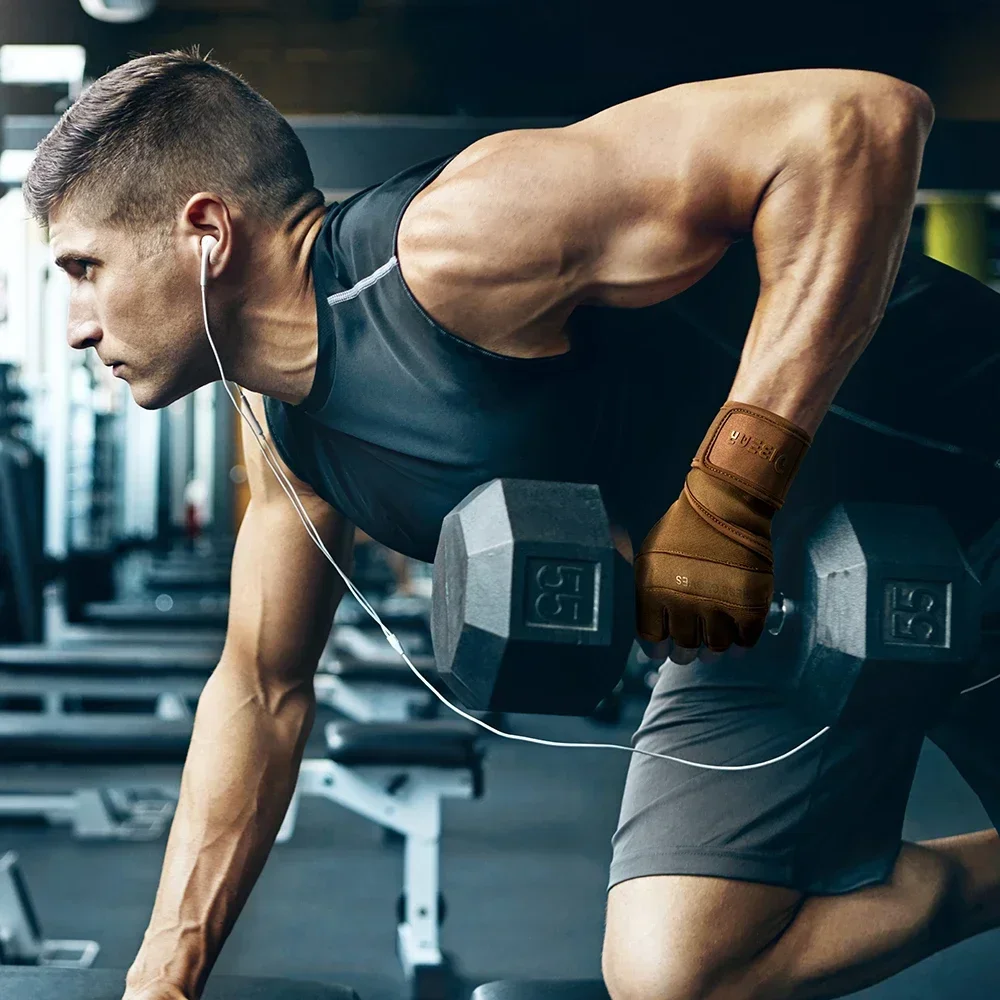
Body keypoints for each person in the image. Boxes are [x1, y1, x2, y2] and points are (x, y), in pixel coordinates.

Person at [23, 47, 1000, 1000]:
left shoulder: (456, 242)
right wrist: (164, 976)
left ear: (206, 233)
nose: (73, 322)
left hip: (964, 492)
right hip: (771, 607)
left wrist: (729, 492)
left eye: (85, 266)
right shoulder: (288, 440)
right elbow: (261, 686)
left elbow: (862, 120)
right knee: (677, 970)